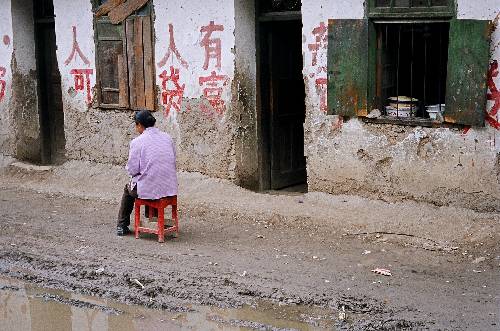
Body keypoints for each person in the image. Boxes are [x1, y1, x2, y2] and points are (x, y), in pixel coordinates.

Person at [116, 110, 178, 236]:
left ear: (139, 125)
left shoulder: (137, 142)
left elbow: (132, 169)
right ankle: (152, 218)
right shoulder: (167, 138)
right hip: (169, 187)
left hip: (151, 188)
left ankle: (122, 225)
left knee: (129, 189)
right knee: (151, 179)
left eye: (136, 125)